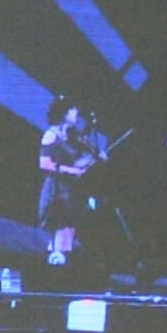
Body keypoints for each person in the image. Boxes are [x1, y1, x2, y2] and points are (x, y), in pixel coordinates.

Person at [34, 99, 104, 274]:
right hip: (58, 188)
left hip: (74, 189)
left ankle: (66, 265)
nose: (76, 114)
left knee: (70, 226)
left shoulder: (74, 136)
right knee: (60, 225)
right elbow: (45, 164)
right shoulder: (51, 135)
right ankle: (55, 266)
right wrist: (71, 171)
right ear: (63, 114)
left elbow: (86, 155)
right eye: (73, 110)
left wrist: (97, 155)